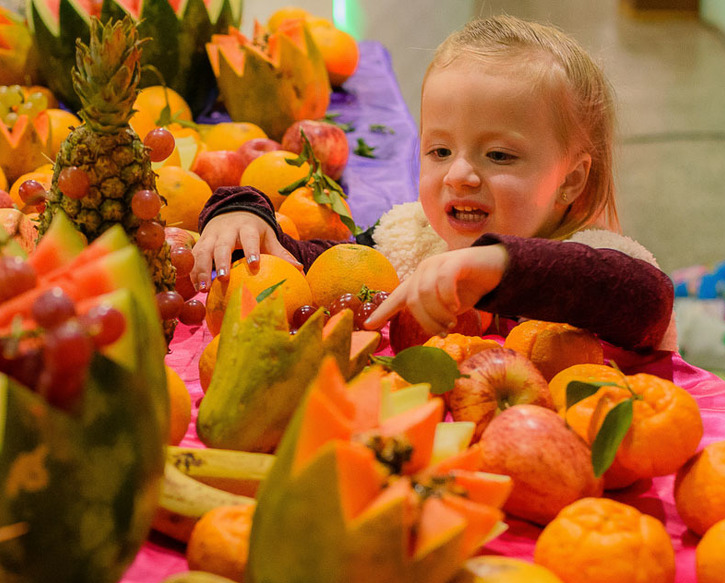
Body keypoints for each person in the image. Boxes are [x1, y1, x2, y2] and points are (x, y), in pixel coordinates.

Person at [188, 15, 676, 352]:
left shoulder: (603, 261)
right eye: (440, 151)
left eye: (499, 155)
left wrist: (497, 265)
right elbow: (321, 266)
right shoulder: (411, 239)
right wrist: (244, 212)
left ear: (571, 180)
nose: (459, 174)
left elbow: (646, 300)